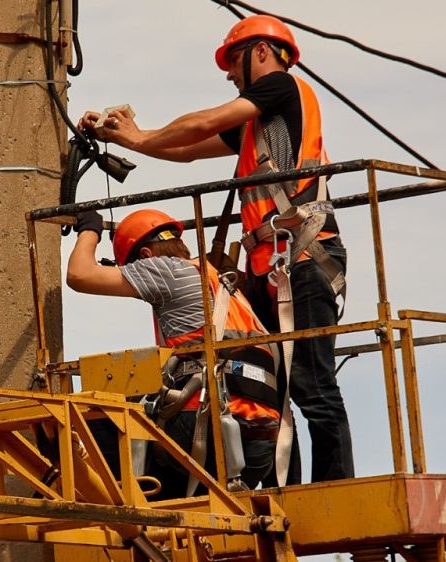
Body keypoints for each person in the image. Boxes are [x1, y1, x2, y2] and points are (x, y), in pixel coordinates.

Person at [77, 15, 352, 483]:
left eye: (232, 62)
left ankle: (336, 490)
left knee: (312, 385)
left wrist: (139, 137)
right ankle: (289, 486)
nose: (228, 73)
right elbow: (187, 148)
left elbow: (202, 121)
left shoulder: (282, 88)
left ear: (261, 52)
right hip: (276, 268)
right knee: (277, 388)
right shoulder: (261, 126)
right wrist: (128, 136)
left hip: (304, 261)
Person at [67, 207, 280, 496]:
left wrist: (89, 229)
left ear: (144, 257)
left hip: (204, 429)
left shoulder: (165, 269)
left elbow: (80, 275)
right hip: (257, 448)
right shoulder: (226, 288)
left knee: (91, 423)